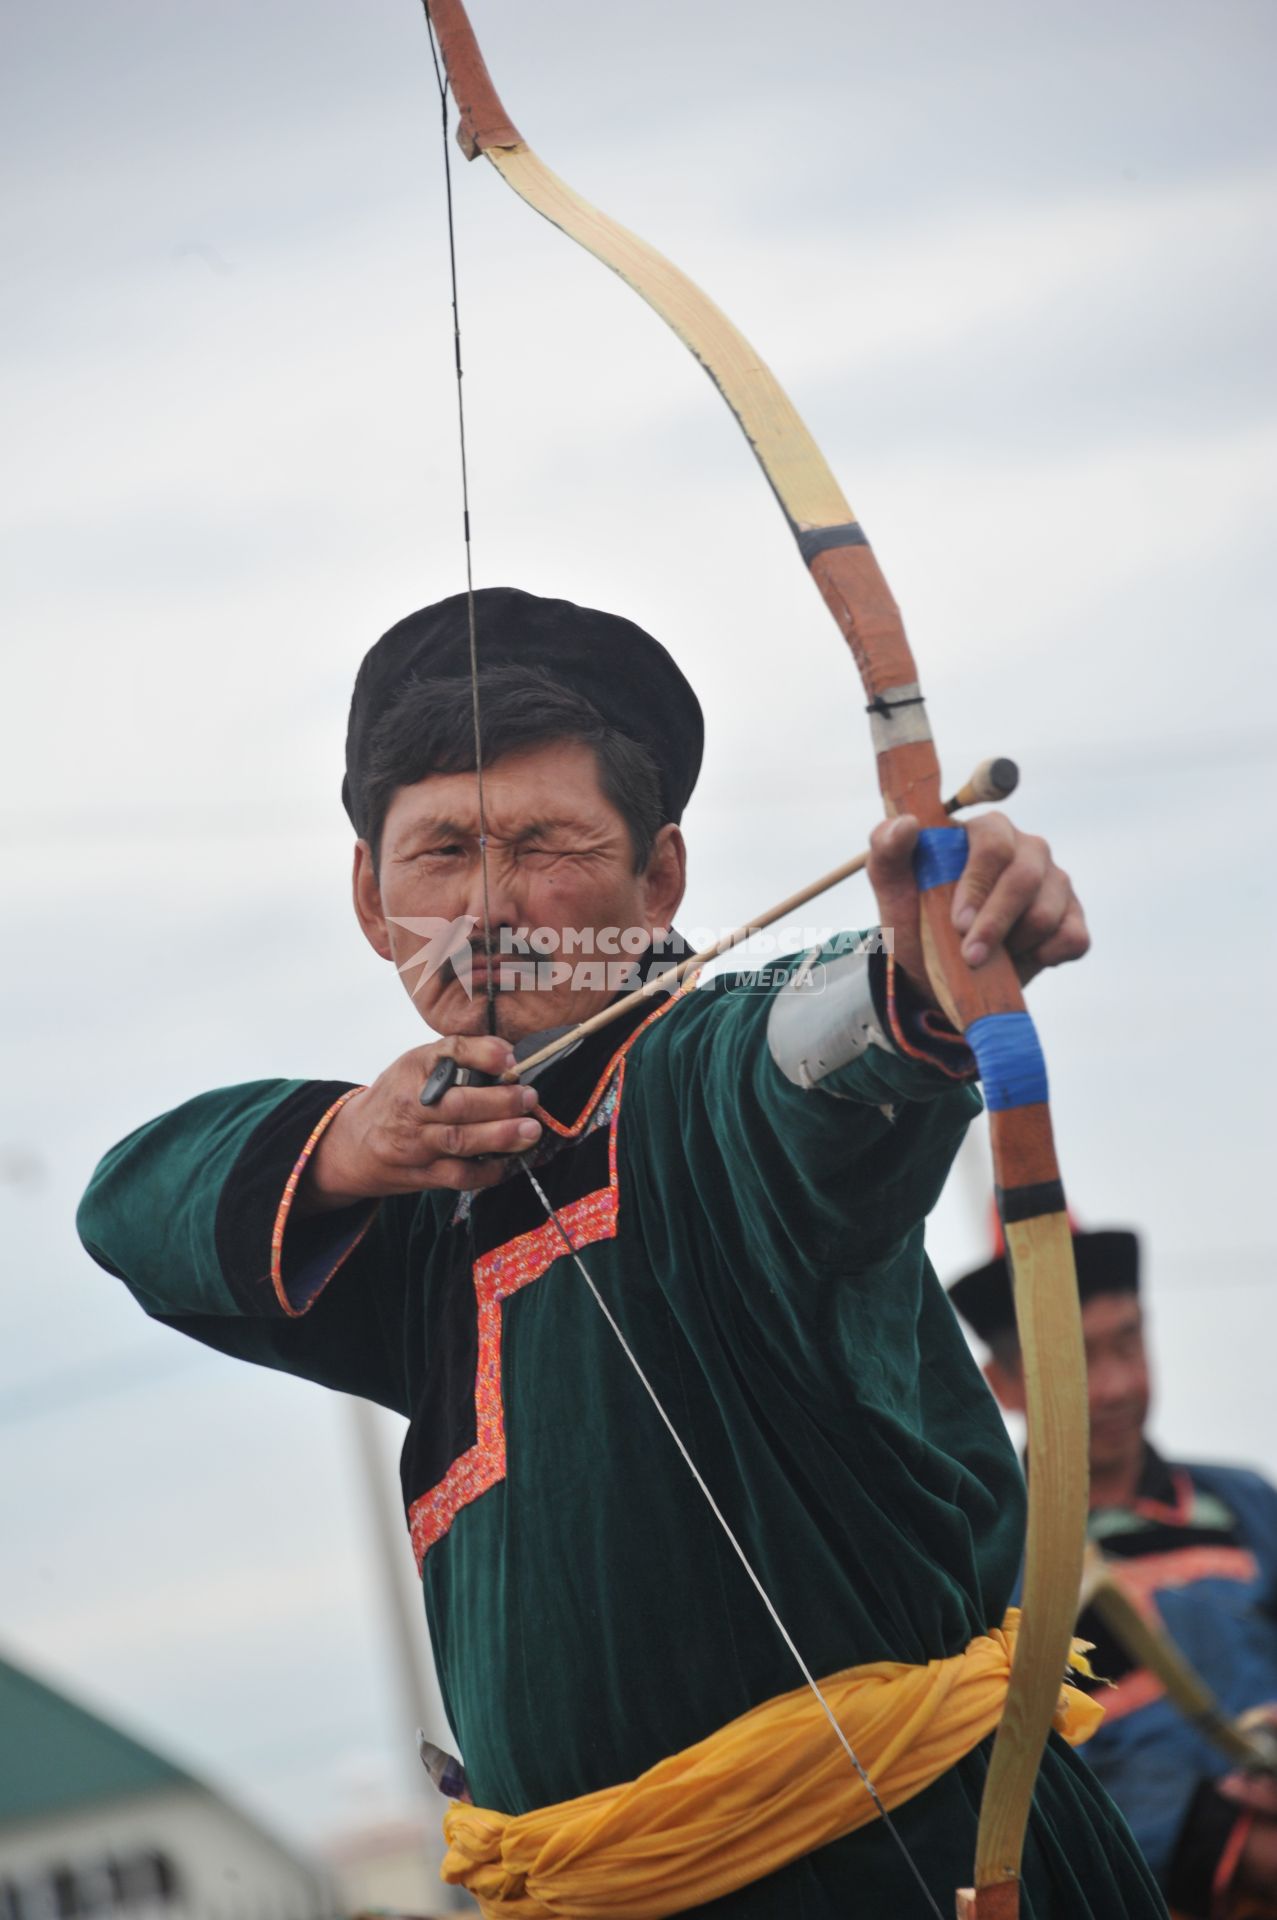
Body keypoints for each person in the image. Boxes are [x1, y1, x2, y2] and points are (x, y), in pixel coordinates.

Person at [78, 587, 1163, 1918]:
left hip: (908, 1872)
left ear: (658, 879)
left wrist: (925, 971)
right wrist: (357, 1142)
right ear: (369, 896)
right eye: (439, 853)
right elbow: (127, 1208)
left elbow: (813, 1045)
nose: (490, 908)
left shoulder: (699, 1083)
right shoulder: (413, 1209)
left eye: (545, 844)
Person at [950, 1229, 1277, 1918]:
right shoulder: (981, 1561)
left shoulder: (1242, 1504)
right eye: (1072, 1358)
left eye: (1127, 1342)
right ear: (1001, 1385)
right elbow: (1005, 1781)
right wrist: (1222, 1836)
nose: (1115, 1386)